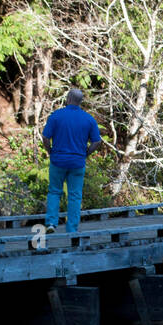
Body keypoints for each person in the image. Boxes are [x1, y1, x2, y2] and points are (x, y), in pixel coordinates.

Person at [42, 87, 102, 234]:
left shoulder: (56, 116)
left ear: (68, 99)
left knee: (54, 192)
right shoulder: (88, 119)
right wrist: (86, 154)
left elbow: (45, 137)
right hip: (77, 162)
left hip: (58, 160)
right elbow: (97, 141)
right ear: (80, 102)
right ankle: (72, 228)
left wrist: (50, 151)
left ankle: (51, 223)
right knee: (75, 195)